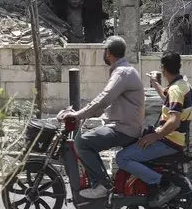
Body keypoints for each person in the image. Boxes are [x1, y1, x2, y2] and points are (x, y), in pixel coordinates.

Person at [57, 35, 144, 200]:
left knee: (82, 143)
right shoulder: (124, 70)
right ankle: (101, 182)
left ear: (109, 53)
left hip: (123, 129)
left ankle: (102, 185)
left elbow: (104, 98)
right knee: (88, 137)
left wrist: (78, 115)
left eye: (104, 51)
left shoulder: (122, 72)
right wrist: (91, 112)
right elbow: (108, 103)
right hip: (123, 126)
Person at [115, 51, 192, 208]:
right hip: (175, 140)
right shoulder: (183, 86)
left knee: (122, 158)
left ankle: (161, 182)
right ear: (179, 66)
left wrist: (155, 136)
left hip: (169, 142)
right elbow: (167, 98)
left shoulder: (175, 90)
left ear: (163, 69)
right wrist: (155, 83)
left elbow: (174, 121)